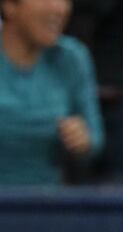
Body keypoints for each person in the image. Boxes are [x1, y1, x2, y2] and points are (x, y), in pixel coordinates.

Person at [0, 0, 104, 186]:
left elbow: (95, 139)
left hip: (48, 199)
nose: (59, 8)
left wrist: (82, 140)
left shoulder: (72, 58)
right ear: (10, 6)